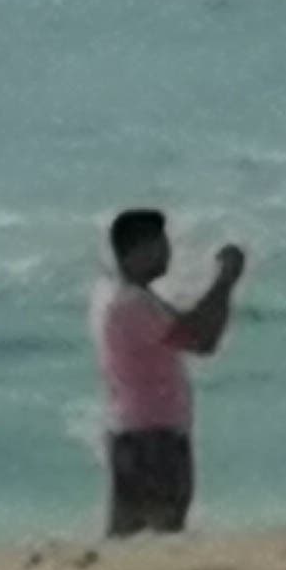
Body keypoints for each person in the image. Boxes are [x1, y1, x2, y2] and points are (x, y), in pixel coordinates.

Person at [95, 206, 246, 537]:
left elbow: (198, 332)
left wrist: (224, 285)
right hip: (153, 436)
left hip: (135, 432)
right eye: (160, 245)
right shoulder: (133, 304)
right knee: (160, 530)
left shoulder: (127, 299)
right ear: (138, 251)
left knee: (132, 532)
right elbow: (200, 338)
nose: (168, 253)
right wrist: (224, 280)